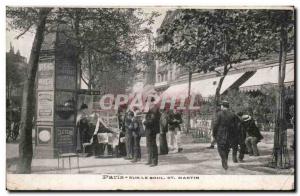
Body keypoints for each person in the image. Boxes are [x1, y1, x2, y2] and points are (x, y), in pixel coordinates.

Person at [212, 100, 238, 170]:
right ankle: (225, 159)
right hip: (230, 134)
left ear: (222, 106)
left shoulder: (219, 114)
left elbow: (215, 124)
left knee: (220, 148)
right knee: (227, 147)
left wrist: (214, 133)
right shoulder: (233, 114)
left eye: (221, 105)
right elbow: (236, 126)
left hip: (221, 133)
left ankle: (224, 159)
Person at [143, 100, 160, 167]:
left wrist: (144, 122)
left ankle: (154, 161)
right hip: (149, 131)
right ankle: (150, 160)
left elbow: (151, 121)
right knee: (149, 146)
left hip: (151, 131)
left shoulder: (154, 111)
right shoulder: (151, 111)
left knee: (152, 146)